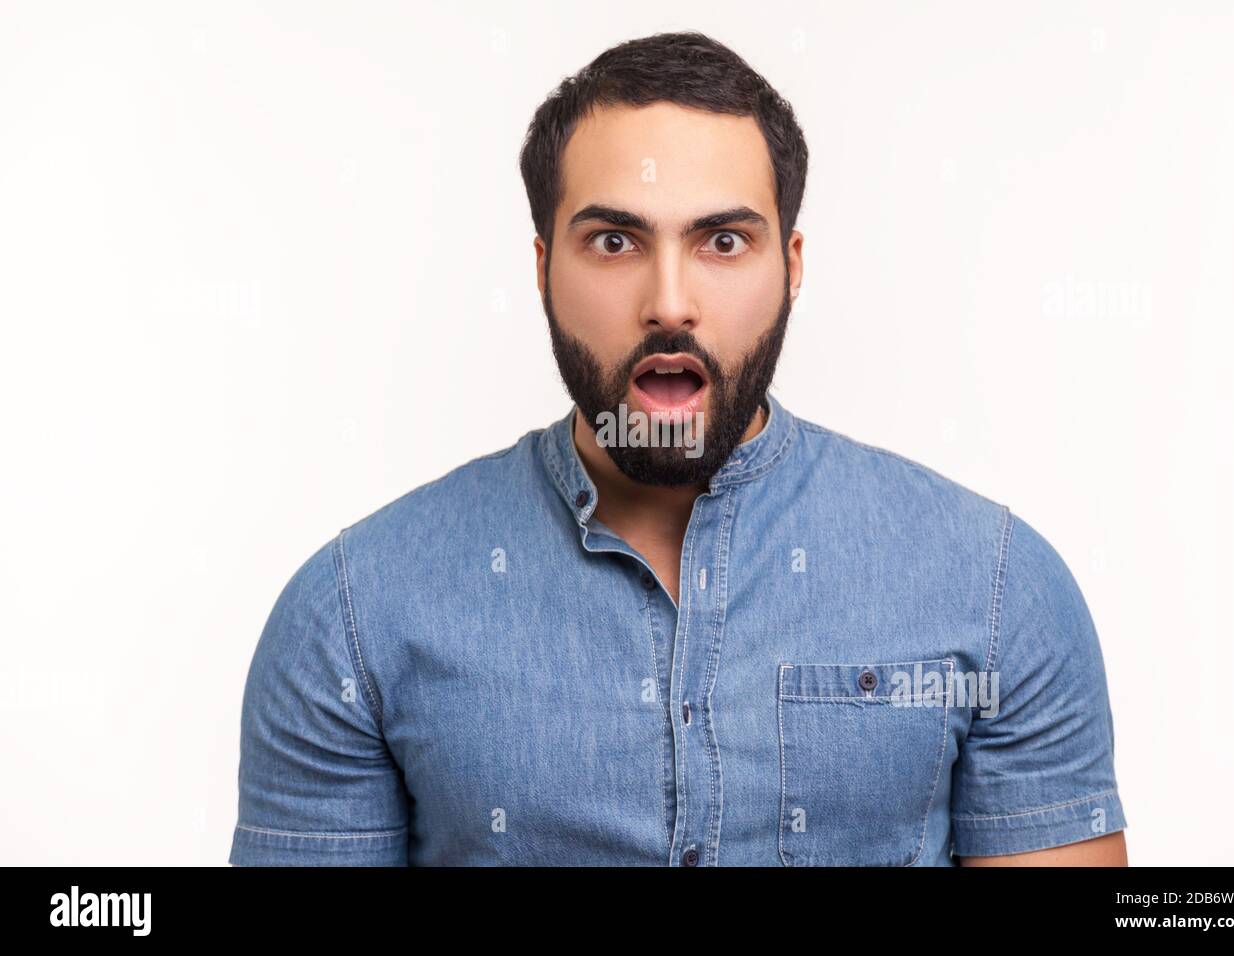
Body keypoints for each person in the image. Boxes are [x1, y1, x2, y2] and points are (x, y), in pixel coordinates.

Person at [229, 31, 1127, 866]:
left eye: (723, 241)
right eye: (614, 241)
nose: (669, 301)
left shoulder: (996, 587)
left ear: (793, 266)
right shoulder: (353, 613)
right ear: (542, 267)